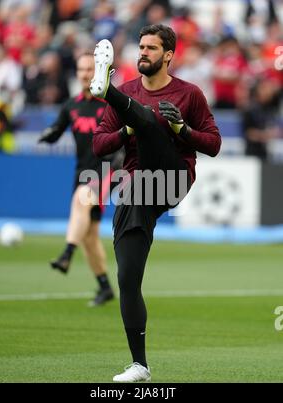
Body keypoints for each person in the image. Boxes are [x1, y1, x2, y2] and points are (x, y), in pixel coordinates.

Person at [91, 24, 222, 382]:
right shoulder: (133, 91)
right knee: (128, 278)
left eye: (151, 48)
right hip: (138, 188)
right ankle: (140, 366)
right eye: (141, 46)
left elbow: (213, 144)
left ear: (168, 55)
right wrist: (125, 132)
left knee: (148, 119)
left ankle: (107, 90)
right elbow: (100, 145)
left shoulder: (189, 94)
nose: (143, 52)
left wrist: (182, 131)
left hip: (172, 178)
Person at [38, 52, 116, 307]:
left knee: (81, 201)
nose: (85, 74)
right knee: (90, 235)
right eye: (81, 70)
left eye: (90, 69)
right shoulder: (71, 106)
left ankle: (66, 254)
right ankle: (105, 287)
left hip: (106, 170)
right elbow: (57, 131)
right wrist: (47, 135)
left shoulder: (111, 103)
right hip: (82, 171)